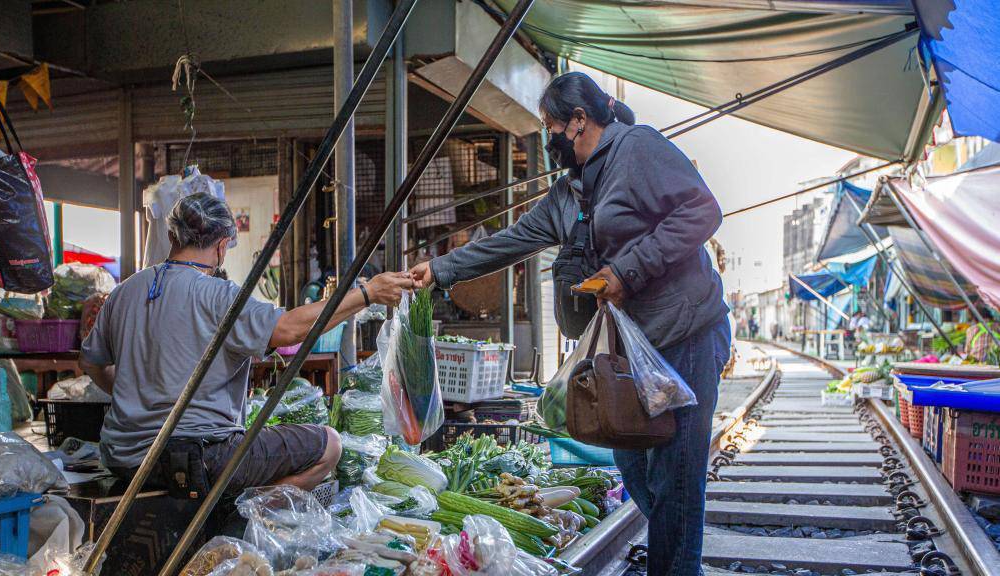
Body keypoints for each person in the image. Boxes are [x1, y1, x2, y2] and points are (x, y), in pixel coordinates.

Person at [411, 71, 730, 575]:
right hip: (635, 347)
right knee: (632, 462)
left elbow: (701, 212)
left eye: (550, 126)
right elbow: (511, 241)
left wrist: (627, 270)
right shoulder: (567, 193)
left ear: (579, 121)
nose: (548, 139)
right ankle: (675, 552)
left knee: (676, 476)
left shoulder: (638, 150)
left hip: (685, 333)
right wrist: (439, 271)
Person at [79, 193, 414, 496]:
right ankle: (238, 513)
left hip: (123, 458)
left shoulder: (125, 291)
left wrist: (133, 399)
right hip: (198, 458)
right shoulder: (216, 295)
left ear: (171, 236)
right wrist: (367, 294)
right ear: (223, 246)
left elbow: (91, 362)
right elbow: (288, 329)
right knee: (330, 445)